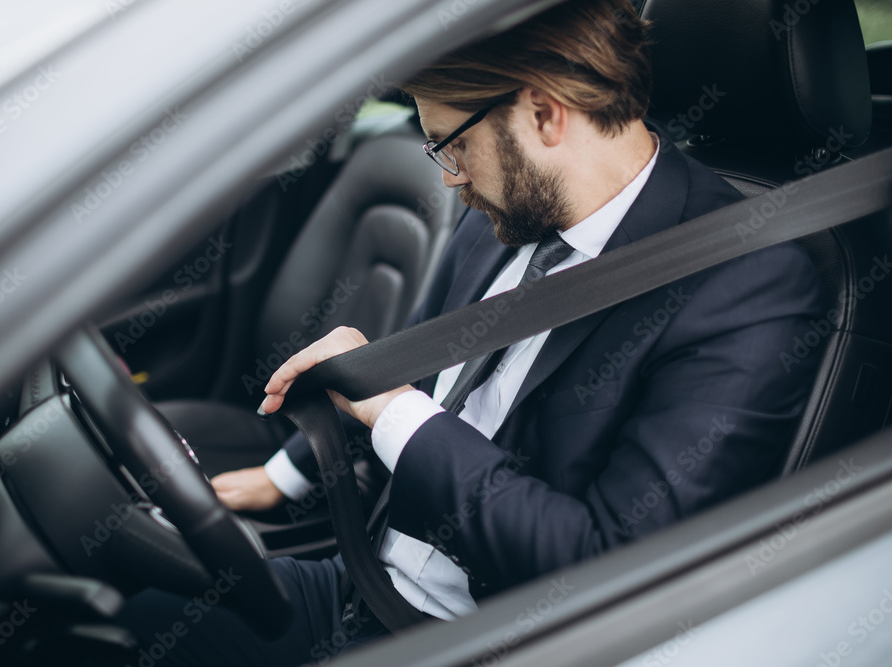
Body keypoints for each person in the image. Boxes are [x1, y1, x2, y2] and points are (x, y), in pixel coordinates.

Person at [121, 0, 825, 663]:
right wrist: (282, 475)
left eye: (448, 147)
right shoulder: (501, 219)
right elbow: (424, 379)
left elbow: (599, 567)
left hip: (477, 642)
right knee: (120, 616)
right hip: (363, 585)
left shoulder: (746, 285)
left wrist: (390, 406)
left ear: (544, 113)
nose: (450, 179)